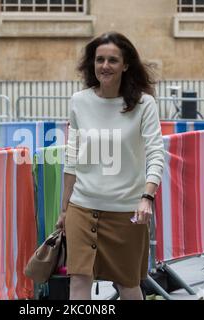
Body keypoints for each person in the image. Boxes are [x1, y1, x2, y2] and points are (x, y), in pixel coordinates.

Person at [56, 32, 165, 300]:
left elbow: (156, 153)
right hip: (82, 207)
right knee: (79, 280)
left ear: (126, 65)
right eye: (99, 59)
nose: (105, 66)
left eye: (113, 60)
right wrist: (64, 210)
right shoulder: (79, 101)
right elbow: (72, 158)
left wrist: (147, 197)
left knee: (127, 283)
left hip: (126, 211)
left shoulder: (144, 104)